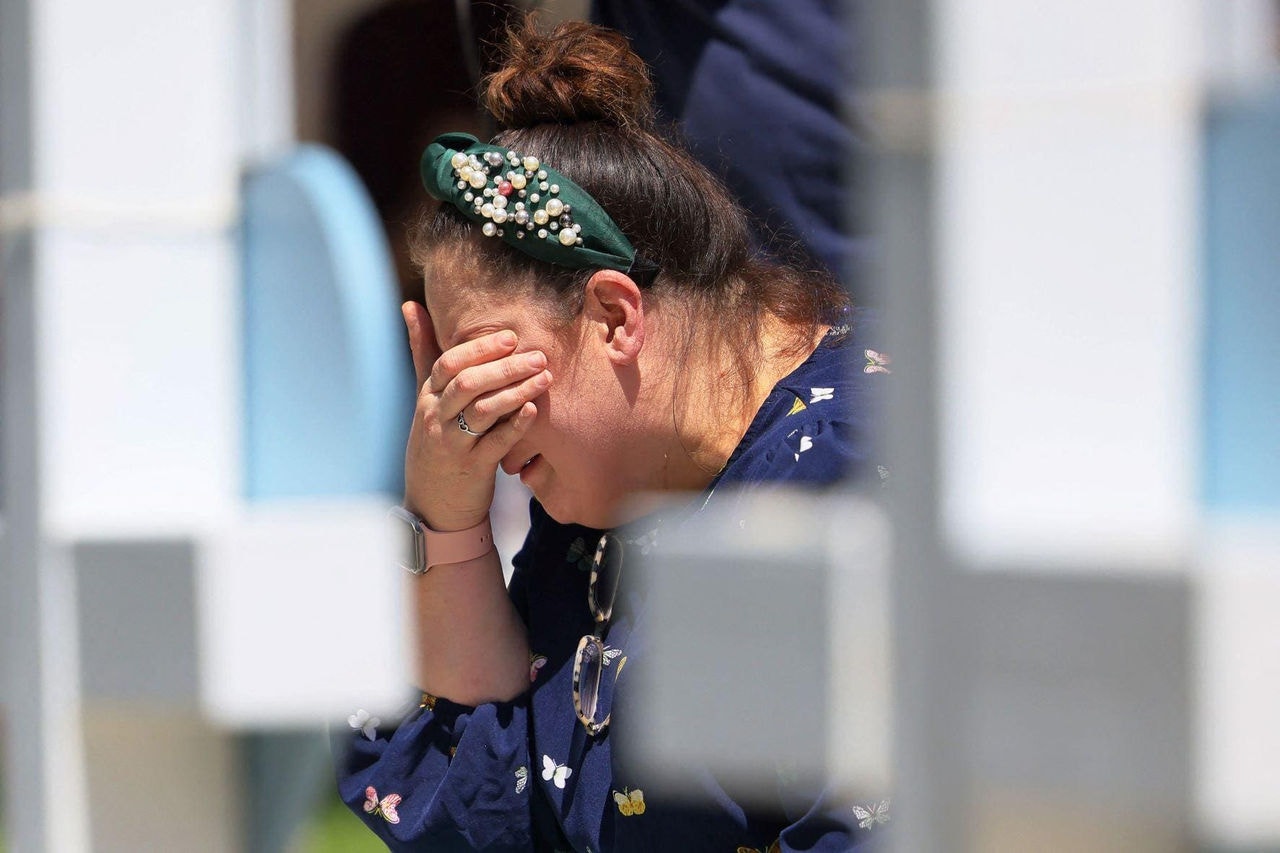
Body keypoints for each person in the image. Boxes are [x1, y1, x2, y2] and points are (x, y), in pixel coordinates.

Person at [336, 17, 889, 851]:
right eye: (447, 376)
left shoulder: (857, 475)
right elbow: (482, 806)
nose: (463, 420)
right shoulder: (602, 505)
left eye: (487, 370)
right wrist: (445, 524)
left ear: (614, 316)